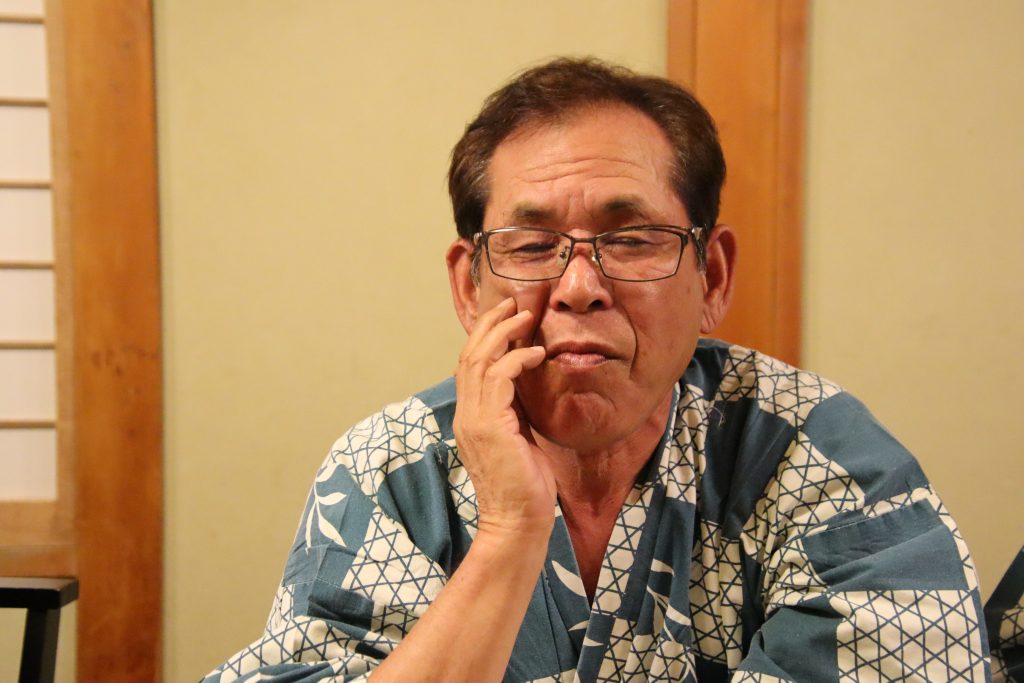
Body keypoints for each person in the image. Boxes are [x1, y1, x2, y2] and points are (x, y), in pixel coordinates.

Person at [202, 58, 988, 682]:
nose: (579, 286)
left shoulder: (816, 455)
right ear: (470, 288)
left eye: (632, 239)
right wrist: (509, 530)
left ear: (712, 276)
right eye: (532, 246)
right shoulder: (391, 471)